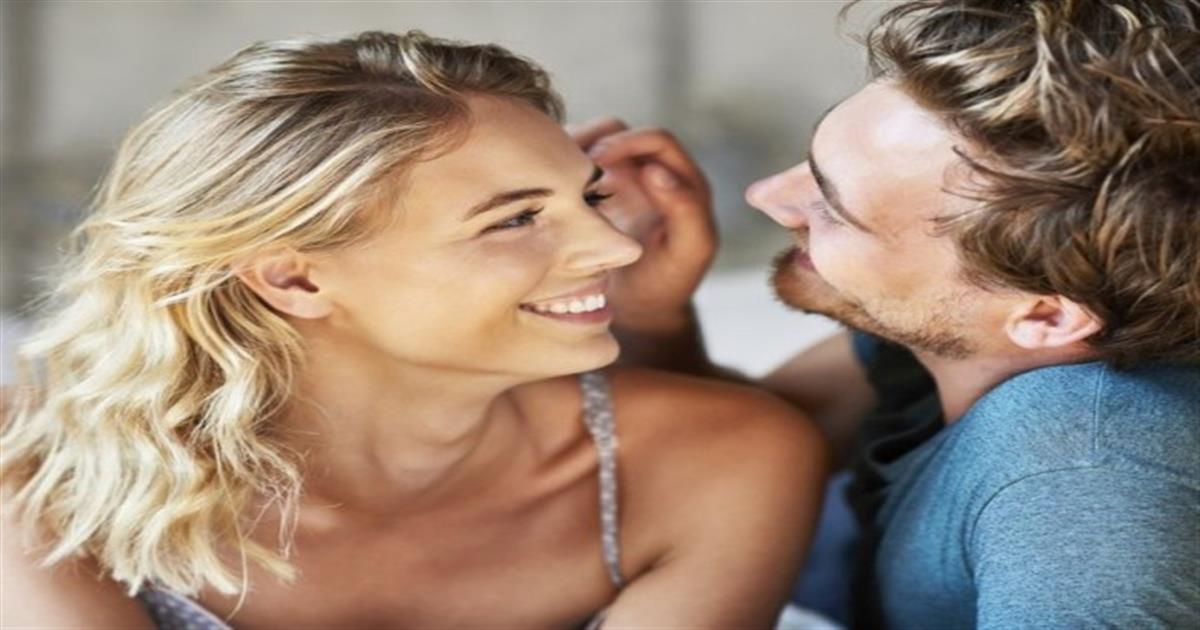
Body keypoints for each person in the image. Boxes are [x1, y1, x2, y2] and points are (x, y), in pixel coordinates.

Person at [0, 31, 829, 629]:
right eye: (514, 219)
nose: (616, 247)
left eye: (590, 196)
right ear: (294, 278)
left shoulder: (723, 463)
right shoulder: (34, 473)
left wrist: (655, 323)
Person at [579, 0, 1200, 627]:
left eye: (834, 208)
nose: (766, 196)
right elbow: (750, 450)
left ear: (1045, 318)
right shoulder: (959, 330)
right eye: (813, 163)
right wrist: (652, 310)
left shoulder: (1083, 492)